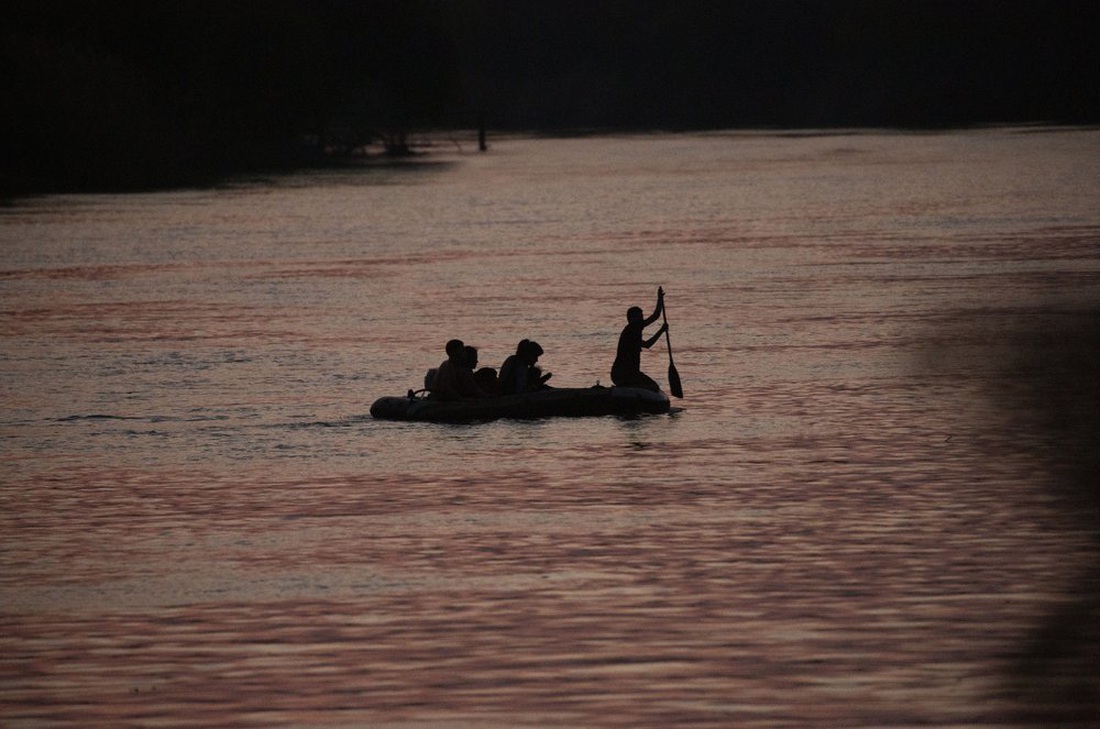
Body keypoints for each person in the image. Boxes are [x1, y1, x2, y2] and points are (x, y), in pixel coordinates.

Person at [611, 287, 668, 391]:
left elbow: (655, 316)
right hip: (626, 374)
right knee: (653, 387)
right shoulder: (632, 330)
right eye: (639, 317)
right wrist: (661, 330)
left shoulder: (633, 330)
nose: (642, 319)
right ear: (631, 319)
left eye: (642, 316)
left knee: (650, 386)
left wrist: (660, 299)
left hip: (620, 374)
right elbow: (648, 344)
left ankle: (627, 389)